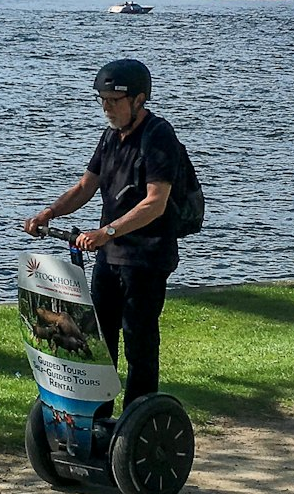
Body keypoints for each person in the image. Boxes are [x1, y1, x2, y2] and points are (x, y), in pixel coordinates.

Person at [23, 58, 182, 409]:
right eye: (102, 100)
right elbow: (85, 187)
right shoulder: (110, 137)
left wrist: (107, 231)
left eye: (114, 100)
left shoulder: (158, 136)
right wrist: (49, 212)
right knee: (100, 343)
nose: (107, 107)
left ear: (139, 100)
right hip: (109, 258)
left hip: (146, 258)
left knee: (139, 345)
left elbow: (155, 202)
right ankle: (98, 417)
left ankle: (137, 422)